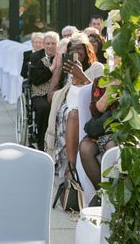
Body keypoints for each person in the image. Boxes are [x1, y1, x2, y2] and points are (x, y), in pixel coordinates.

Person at [46, 33, 103, 176]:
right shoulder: (66, 71)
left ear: (87, 50)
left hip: (89, 109)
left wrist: (81, 75)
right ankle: (70, 165)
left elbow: (99, 95)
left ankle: (71, 166)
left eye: (80, 49)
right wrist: (60, 68)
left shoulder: (97, 68)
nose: (76, 53)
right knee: (69, 113)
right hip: (67, 106)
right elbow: (50, 97)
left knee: (73, 114)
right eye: (72, 50)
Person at [27, 32, 61, 151]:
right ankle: (42, 142)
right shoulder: (35, 57)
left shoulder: (62, 56)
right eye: (48, 43)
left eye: (53, 43)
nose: (50, 46)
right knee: (44, 108)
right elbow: (35, 80)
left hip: (57, 92)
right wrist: (51, 68)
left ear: (57, 44)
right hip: (39, 93)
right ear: (44, 44)